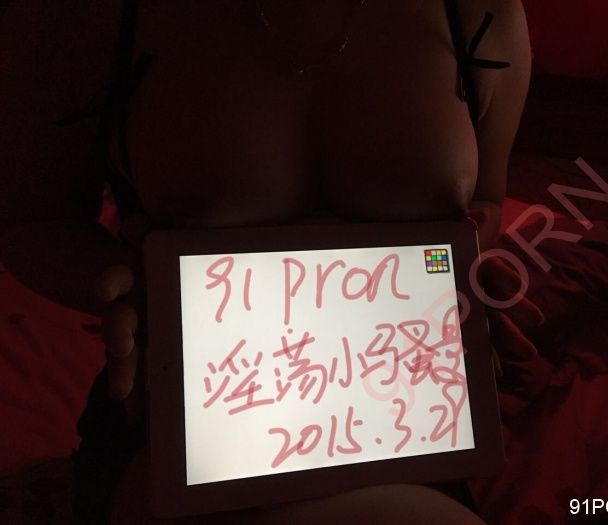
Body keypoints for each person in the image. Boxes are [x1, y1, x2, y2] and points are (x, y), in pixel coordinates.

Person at [1, 0, 540, 522]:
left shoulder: (479, 13)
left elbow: (484, 201)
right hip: (173, 417)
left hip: (402, 416)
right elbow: (29, 220)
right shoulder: (75, 12)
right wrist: (127, 284)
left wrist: (456, 280)